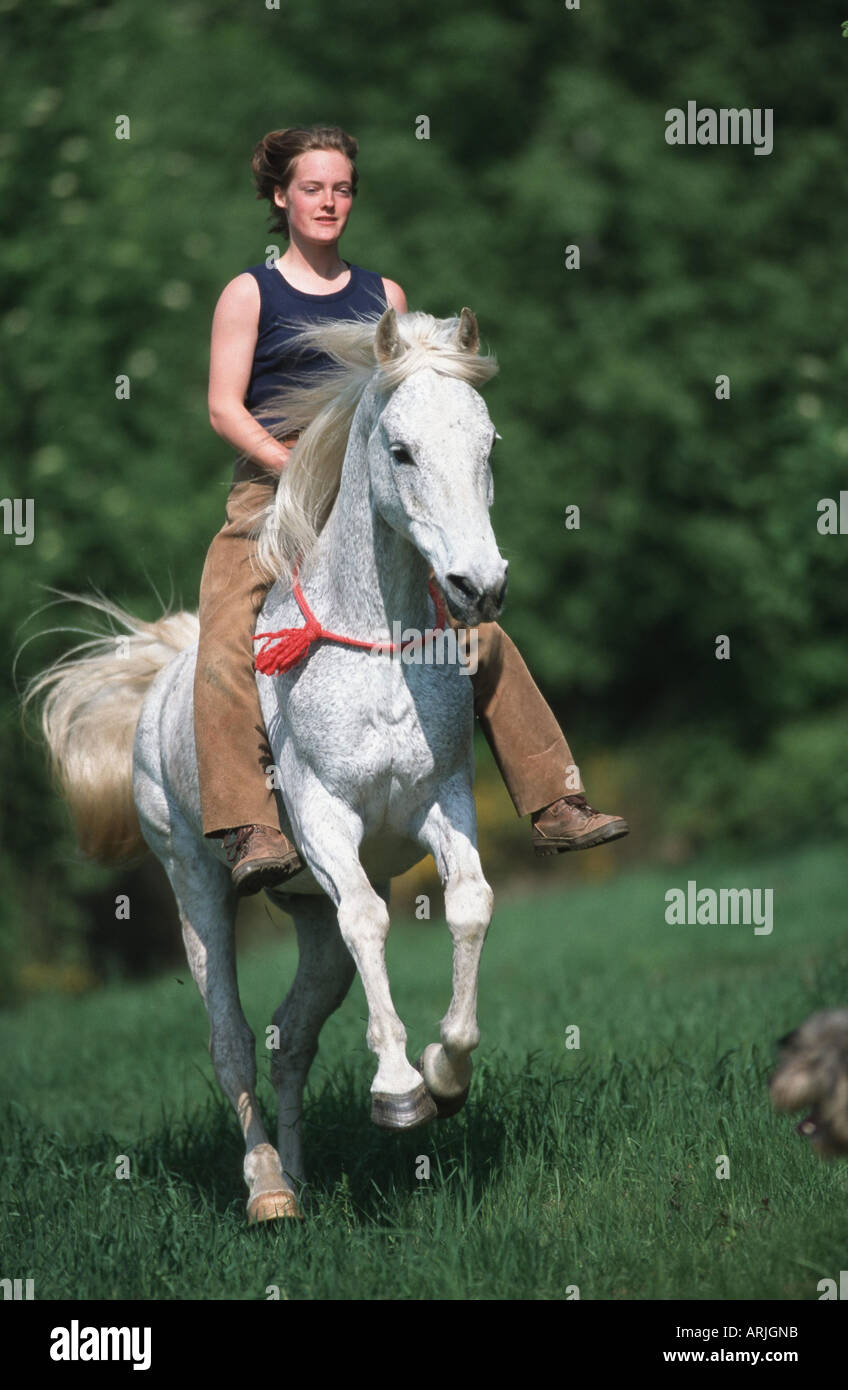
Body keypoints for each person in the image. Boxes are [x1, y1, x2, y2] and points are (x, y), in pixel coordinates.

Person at [195, 124, 628, 896]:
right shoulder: (249, 292)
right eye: (313, 188)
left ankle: (553, 798)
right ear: (279, 197)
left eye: (342, 188)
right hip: (274, 490)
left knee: (478, 622)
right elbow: (225, 408)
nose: (329, 201)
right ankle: (250, 823)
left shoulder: (385, 298)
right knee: (226, 639)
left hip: (378, 485)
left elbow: (416, 408)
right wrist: (292, 466)